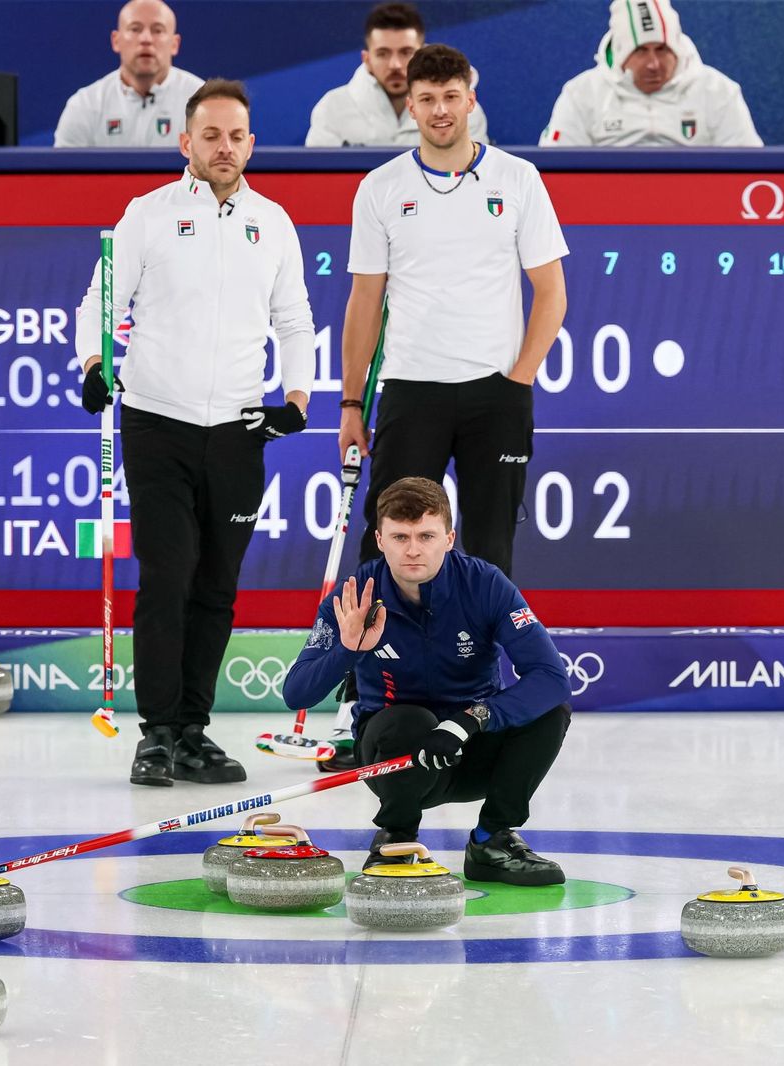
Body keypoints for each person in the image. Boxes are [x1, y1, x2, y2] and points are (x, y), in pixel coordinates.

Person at [320, 43, 568, 774]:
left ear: (470, 97)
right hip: (411, 389)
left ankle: (478, 711)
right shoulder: (381, 187)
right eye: (426, 99)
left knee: (488, 556)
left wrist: (517, 380)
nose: (438, 110)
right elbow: (365, 302)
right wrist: (352, 399)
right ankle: (363, 713)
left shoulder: (517, 179)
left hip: (496, 394)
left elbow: (551, 292)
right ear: (411, 104)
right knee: (384, 555)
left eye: (450, 96)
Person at [74, 80, 315, 786]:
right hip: (157, 421)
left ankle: (193, 731)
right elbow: (100, 303)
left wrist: (296, 400)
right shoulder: (148, 214)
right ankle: (156, 732)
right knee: (168, 572)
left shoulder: (273, 222)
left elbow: (295, 320)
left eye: (236, 136)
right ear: (186, 142)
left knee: (216, 585)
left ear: (251, 144)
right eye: (211, 136)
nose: (224, 147)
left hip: (239, 429)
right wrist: (94, 364)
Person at [284, 478, 572, 884]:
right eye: (400, 537)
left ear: (449, 539)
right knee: (409, 720)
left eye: (426, 536)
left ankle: (492, 840)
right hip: (396, 757)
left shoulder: (486, 584)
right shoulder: (355, 597)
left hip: (469, 746)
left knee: (549, 711)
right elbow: (296, 692)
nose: (413, 550)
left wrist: (471, 719)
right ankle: (396, 837)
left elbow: (551, 678)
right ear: (380, 540)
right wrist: (347, 650)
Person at [538, 0, 761, 147]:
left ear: (677, 50)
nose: (653, 64)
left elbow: (748, 170)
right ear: (620, 54)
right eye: (640, 51)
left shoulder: (719, 91)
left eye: (662, 49)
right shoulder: (581, 94)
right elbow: (556, 170)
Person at [305, 3, 491, 148]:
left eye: (406, 52)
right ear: (367, 59)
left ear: (422, 52)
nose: (395, 65)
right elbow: (319, 181)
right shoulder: (332, 109)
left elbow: (474, 177)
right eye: (383, 54)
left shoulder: (466, 112)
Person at [54, 0, 204, 148]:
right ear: (116, 41)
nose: (146, 39)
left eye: (157, 30)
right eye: (135, 29)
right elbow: (64, 164)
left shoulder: (202, 101)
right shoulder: (85, 105)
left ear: (174, 44)